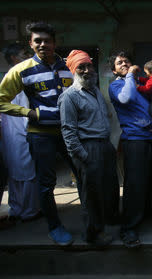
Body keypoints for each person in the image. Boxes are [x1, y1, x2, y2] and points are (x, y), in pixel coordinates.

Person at [0, 22, 76, 246]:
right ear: (31, 43)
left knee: (83, 176)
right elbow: (1, 100)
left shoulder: (68, 66)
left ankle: (91, 222)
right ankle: (55, 227)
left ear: (55, 42)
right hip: (40, 134)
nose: (43, 44)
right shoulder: (21, 70)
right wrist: (28, 113)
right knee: (46, 183)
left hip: (69, 132)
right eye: (38, 41)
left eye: (47, 40)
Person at [58, 49, 119, 246]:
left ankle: (105, 222)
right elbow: (68, 131)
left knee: (107, 189)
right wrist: (82, 156)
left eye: (88, 66)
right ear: (74, 71)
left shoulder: (95, 92)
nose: (86, 70)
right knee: (91, 195)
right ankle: (93, 234)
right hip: (88, 148)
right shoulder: (70, 96)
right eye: (80, 67)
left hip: (104, 146)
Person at [108, 51, 152, 248]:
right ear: (114, 70)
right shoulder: (117, 85)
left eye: (127, 61)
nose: (124, 64)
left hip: (150, 137)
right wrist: (130, 74)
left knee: (149, 178)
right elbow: (126, 99)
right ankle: (128, 227)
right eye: (119, 63)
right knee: (134, 184)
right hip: (134, 139)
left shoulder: (138, 84)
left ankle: (144, 213)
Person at [0, 43, 41, 224]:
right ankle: (28, 210)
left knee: (21, 172)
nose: (28, 56)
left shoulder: (17, 77)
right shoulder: (16, 78)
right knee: (25, 172)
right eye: (24, 53)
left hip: (15, 133)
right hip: (20, 132)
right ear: (15, 59)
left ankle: (19, 208)